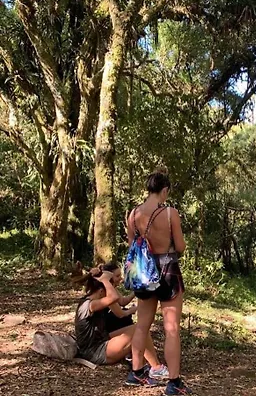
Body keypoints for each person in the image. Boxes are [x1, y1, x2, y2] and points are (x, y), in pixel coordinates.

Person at [126, 168, 191, 395]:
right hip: (168, 271)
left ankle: (136, 372)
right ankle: (174, 382)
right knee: (171, 329)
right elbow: (180, 246)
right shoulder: (170, 213)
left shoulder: (133, 214)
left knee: (142, 325)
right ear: (164, 190)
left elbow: (132, 246)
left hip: (144, 274)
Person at [74, 267, 167, 385]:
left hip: (101, 340)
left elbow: (119, 299)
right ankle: (156, 368)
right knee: (139, 330)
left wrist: (100, 274)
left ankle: (149, 366)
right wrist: (105, 280)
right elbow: (114, 298)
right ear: (101, 291)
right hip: (94, 352)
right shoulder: (89, 305)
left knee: (140, 328)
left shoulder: (91, 301)